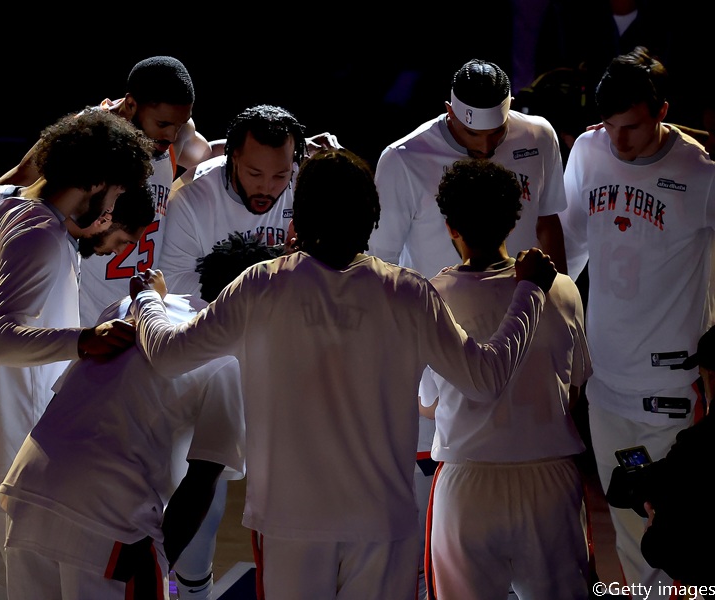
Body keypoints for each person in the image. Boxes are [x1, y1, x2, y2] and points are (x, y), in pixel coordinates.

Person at [129, 147, 558, 599]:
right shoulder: (408, 292)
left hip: (289, 522)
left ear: (299, 216)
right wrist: (529, 291)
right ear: (371, 215)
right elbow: (487, 379)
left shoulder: (260, 285)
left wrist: (147, 299)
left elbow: (167, 355)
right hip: (381, 523)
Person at [0, 109, 155, 600]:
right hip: (16, 458)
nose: (111, 210)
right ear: (95, 183)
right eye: (114, 195)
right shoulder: (42, 234)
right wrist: (85, 339)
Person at [369, 58, 570, 596]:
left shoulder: (539, 136)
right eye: (471, 136)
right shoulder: (403, 159)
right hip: (440, 347)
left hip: (525, 349)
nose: (485, 148)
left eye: (496, 135)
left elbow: (549, 223)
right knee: (425, 528)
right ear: (448, 113)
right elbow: (381, 268)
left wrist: (560, 305)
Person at [559, 46, 715, 598]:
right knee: (628, 533)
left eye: (631, 127)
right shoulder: (588, 150)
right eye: (609, 125)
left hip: (672, 389)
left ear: (662, 112)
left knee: (679, 535)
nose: (618, 141)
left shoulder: (699, 172)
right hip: (605, 383)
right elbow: (569, 249)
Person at [0, 289, 246, 600]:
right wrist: (161, 560)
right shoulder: (230, 357)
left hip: (28, 487)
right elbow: (201, 481)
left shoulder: (126, 306)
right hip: (109, 515)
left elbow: (63, 397)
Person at [419, 158, 591, 599]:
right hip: (550, 480)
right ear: (514, 221)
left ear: (450, 227)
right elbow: (573, 391)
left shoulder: (434, 297)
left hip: (468, 484)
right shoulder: (561, 288)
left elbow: (428, 404)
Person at [0, 56, 213, 327]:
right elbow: (17, 181)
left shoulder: (176, 136)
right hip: (77, 312)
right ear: (131, 104)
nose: (171, 135)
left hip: (137, 309)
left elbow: (211, 158)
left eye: (179, 125)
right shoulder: (86, 135)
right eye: (163, 124)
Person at [171, 232, 284, 599]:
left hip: (51, 464)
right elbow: (202, 480)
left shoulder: (143, 305)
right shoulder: (230, 356)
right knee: (207, 490)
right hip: (131, 494)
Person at [158, 103, 309, 301]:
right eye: (255, 174)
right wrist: (271, 274)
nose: (266, 187)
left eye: (280, 176)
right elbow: (172, 283)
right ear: (233, 157)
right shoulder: (187, 198)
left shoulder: (307, 186)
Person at [606, 324, 715, 589]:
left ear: (711, 378)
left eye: (701, 378)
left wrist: (653, 534)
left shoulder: (698, 445)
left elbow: (673, 550)